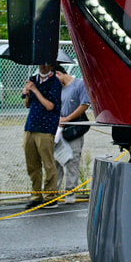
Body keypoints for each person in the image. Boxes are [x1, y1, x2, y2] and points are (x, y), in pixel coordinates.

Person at [21, 58, 62, 208]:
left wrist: (35, 90)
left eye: (46, 64)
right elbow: (27, 104)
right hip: (31, 125)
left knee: (48, 162)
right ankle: (36, 195)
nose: (43, 66)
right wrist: (27, 93)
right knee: (32, 163)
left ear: (52, 65)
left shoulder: (55, 82)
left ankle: (51, 195)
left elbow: (50, 105)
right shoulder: (33, 79)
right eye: (41, 63)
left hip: (46, 127)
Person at [54, 60, 91, 203]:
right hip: (58, 129)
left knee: (72, 161)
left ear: (59, 73)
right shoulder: (58, 88)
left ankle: (70, 192)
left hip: (73, 128)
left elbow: (84, 104)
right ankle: (54, 192)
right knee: (55, 160)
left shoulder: (79, 84)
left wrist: (68, 118)